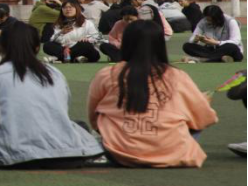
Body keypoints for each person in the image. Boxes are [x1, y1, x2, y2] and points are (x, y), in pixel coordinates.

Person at [87, 21, 218, 168]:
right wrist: (203, 102)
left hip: (119, 152)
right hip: (172, 152)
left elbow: (94, 118)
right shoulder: (177, 76)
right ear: (160, 45)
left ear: (126, 43)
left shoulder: (107, 74)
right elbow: (205, 118)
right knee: (194, 114)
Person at [0, 23, 104, 169]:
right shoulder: (53, 73)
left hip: (13, 153)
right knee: (79, 125)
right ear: (37, 48)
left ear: (1, 47)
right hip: (63, 150)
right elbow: (62, 109)